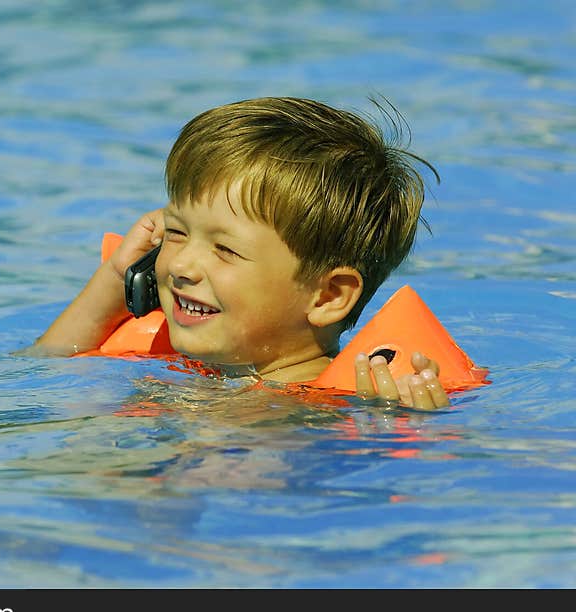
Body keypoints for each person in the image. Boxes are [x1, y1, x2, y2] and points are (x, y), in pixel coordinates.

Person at [27, 96, 451, 410]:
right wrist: (116, 280)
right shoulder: (205, 359)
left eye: (225, 249)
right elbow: (44, 364)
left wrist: (398, 422)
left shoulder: (322, 404)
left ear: (328, 296)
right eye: (176, 232)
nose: (180, 265)